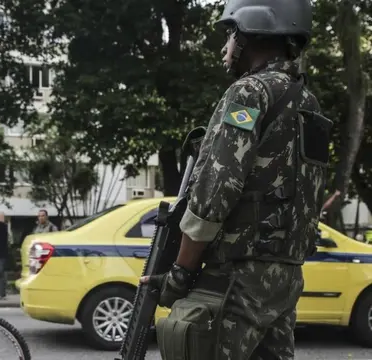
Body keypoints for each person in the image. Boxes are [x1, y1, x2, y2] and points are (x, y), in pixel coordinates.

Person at [142, 0, 331, 359]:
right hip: (284, 277)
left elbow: (215, 190)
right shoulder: (309, 104)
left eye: (230, 33)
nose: (224, 46)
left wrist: (180, 273)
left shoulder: (248, 94)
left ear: (251, 33)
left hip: (236, 275)